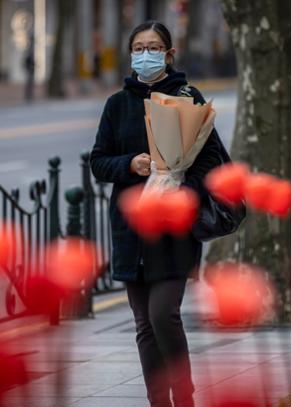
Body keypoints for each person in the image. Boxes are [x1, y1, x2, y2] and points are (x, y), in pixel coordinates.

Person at [90, 21, 222, 407]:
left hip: (174, 227)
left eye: (153, 47)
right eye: (138, 47)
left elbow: (210, 163)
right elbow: (99, 162)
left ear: (168, 54)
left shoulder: (187, 96)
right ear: (131, 54)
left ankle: (184, 396)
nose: (144, 54)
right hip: (131, 229)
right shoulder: (117, 105)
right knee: (144, 325)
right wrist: (130, 165)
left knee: (164, 314)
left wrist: (179, 183)